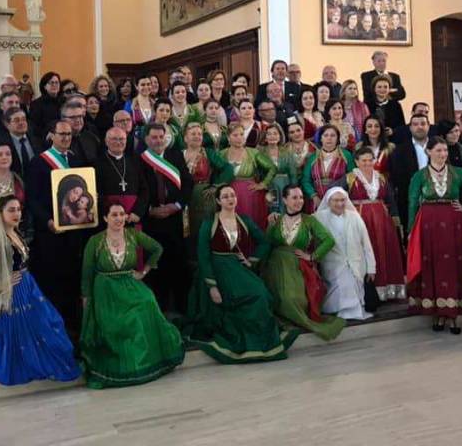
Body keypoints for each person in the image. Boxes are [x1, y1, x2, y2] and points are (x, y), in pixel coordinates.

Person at [0, 194, 81, 385]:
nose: (16, 214)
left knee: (46, 325)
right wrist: (0, 281)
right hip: (9, 295)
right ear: (0, 213)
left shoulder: (15, 232)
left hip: (28, 288)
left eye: (18, 209)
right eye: (11, 210)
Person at [180, 185, 298, 363]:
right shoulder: (209, 222)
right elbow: (203, 255)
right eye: (225, 196)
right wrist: (212, 286)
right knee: (237, 298)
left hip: (238, 267)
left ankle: (261, 339)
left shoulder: (244, 220)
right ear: (219, 201)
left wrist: (252, 260)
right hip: (217, 270)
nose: (230, 199)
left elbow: (264, 242)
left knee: (261, 294)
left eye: (233, 195)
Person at [80, 203, 185, 388]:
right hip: (106, 289)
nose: (119, 218)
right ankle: (123, 365)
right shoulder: (94, 241)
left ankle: (145, 361)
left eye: (122, 214)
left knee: (147, 301)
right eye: (114, 215)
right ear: (105, 218)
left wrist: (144, 271)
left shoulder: (133, 234)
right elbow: (87, 272)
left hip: (129, 283)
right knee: (119, 322)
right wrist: (86, 297)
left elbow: (157, 248)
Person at [406, 137, 462, 333]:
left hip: (453, 223)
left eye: (445, 151)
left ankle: (453, 313)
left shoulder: (457, 173)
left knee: (453, 265)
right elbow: (413, 203)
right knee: (432, 264)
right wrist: (410, 231)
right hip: (428, 225)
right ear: (428, 152)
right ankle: (437, 313)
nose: (443, 154)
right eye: (439, 151)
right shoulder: (419, 176)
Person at [261, 185, 345, 340]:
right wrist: (269, 226)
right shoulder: (276, 219)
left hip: (297, 267)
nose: (299, 201)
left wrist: (312, 257)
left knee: (293, 298)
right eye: (294, 197)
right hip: (275, 267)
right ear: (285, 200)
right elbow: (267, 242)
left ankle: (294, 319)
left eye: (301, 197)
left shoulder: (309, 220)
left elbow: (329, 240)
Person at [25, 121, 85, 337]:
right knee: (54, 280)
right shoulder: (39, 163)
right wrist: (48, 221)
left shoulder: (77, 160)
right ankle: (55, 327)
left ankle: (73, 325)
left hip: (75, 231)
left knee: (73, 278)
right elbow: (33, 199)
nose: (66, 138)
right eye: (62, 134)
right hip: (50, 232)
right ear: (52, 135)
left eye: (69, 134)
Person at [334, 147, 405, 301]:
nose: (367, 163)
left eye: (370, 160)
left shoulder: (381, 178)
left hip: (382, 219)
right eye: (363, 160)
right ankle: (368, 292)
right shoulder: (349, 178)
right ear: (357, 162)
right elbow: (333, 193)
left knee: (384, 250)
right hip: (360, 219)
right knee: (366, 251)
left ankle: (387, 290)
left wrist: (394, 218)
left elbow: (391, 199)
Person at [140, 123, 193, 314]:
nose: (158, 140)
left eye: (161, 137)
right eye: (154, 137)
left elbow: (187, 183)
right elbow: (139, 190)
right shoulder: (140, 160)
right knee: (157, 268)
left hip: (175, 219)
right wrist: (149, 210)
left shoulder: (175, 156)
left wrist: (176, 206)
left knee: (179, 265)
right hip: (152, 223)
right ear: (146, 139)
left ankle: (182, 311)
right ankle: (160, 311)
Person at [315, 187, 376, 321]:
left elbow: (366, 243)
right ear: (328, 201)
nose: (340, 204)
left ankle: (350, 310)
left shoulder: (354, 217)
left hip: (356, 262)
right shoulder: (318, 218)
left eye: (343, 200)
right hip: (332, 264)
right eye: (336, 200)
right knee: (343, 283)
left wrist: (371, 268)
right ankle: (341, 310)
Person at [182, 122, 234, 244]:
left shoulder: (208, 153)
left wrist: (216, 186)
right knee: (186, 228)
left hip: (203, 196)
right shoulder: (179, 154)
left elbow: (228, 169)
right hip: (184, 197)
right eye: (193, 134)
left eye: (199, 134)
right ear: (185, 137)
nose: (197, 136)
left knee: (202, 228)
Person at [221, 123, 276, 229]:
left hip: (250, 196)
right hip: (228, 195)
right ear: (228, 138)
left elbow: (272, 168)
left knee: (251, 225)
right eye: (235, 135)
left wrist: (263, 184)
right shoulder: (221, 154)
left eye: (242, 134)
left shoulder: (253, 153)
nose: (239, 138)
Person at [95, 127, 149, 225]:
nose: (118, 142)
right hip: (108, 219)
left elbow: (144, 190)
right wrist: (111, 214)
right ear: (106, 141)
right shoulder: (96, 164)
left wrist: (137, 212)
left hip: (132, 217)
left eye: (122, 139)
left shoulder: (135, 161)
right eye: (114, 139)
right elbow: (97, 193)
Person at [390, 113, 431, 231]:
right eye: (415, 124)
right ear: (410, 128)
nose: (419, 127)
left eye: (423, 124)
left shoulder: (439, 147)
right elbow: (396, 179)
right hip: (408, 203)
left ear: (428, 126)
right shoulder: (399, 151)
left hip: (435, 202)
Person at [302, 125, 355, 212]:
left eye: (332, 135)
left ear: (337, 139)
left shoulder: (346, 155)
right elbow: (305, 180)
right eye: (325, 135)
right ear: (321, 138)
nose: (329, 138)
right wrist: (314, 196)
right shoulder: (312, 157)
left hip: (339, 201)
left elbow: (352, 177)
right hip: (317, 202)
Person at [0, 107, 41, 179]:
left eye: (23, 119)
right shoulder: (1, 144)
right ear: (7, 124)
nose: (21, 123)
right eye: (16, 120)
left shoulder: (37, 140)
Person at [365, 75, 405, 139]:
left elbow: (402, 125)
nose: (382, 89)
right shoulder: (367, 105)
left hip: (392, 140)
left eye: (385, 87)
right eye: (379, 87)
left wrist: (393, 131)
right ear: (374, 89)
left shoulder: (396, 105)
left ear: (389, 89)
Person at [28, 72, 62, 138]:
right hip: (46, 138)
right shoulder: (36, 104)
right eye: (51, 83)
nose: (54, 85)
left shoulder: (63, 101)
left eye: (57, 82)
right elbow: (34, 126)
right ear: (45, 86)